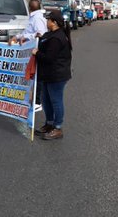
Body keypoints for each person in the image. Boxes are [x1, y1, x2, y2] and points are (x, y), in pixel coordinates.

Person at [32, 10, 72, 140]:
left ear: (54, 22)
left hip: (56, 75)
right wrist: (39, 37)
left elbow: (49, 57)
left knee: (56, 101)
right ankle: (49, 124)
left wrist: (36, 53)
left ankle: (58, 128)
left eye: (48, 20)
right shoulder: (51, 34)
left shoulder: (57, 38)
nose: (46, 21)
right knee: (45, 100)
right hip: (48, 74)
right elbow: (45, 40)